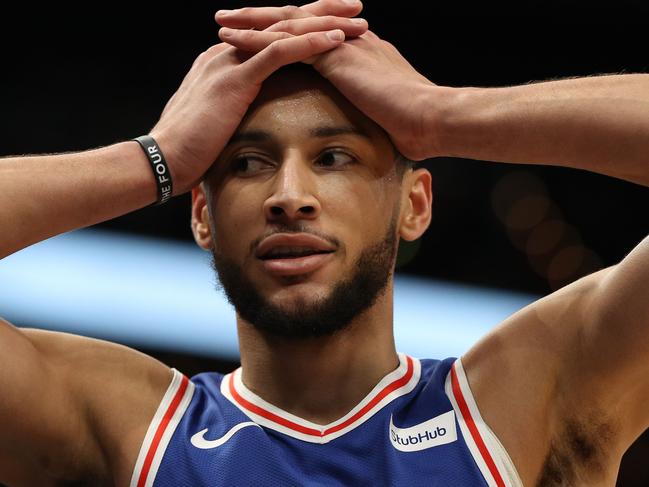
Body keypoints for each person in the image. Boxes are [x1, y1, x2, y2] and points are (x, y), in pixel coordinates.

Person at [1, 1, 647, 485]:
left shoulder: (516, 408)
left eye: (332, 156)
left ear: (414, 205)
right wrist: (157, 158)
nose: (289, 194)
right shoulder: (131, 431)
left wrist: (439, 114)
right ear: (201, 215)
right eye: (248, 164)